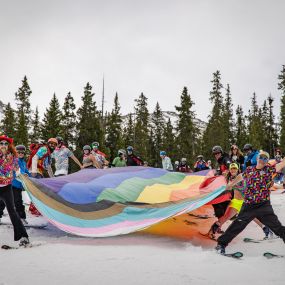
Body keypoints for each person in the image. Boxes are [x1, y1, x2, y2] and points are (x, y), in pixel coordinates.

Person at [216, 150, 285, 255]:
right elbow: (240, 176)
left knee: (277, 227)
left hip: (264, 205)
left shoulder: (270, 170)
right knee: (237, 226)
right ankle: (221, 244)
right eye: (261, 157)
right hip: (248, 205)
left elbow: (282, 163)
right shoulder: (249, 170)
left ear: (267, 161)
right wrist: (231, 184)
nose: (263, 159)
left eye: (265, 158)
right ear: (257, 158)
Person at [209, 163, 272, 239]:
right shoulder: (228, 178)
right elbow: (223, 184)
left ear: (238, 170)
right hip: (236, 202)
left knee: (254, 217)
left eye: (234, 169)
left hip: (245, 202)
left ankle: (268, 231)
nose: (233, 170)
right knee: (226, 217)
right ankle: (212, 230)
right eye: (231, 169)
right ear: (229, 170)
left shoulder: (242, 176)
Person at [0, 134, 29, 246]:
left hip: (7, 188)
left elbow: (17, 171)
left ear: (9, 145)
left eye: (5, 143)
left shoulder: (13, 157)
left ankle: (23, 236)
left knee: (12, 211)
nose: (3, 145)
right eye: (1, 143)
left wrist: (23, 175)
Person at [0, 145, 31, 224]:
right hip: (12, 184)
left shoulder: (23, 162)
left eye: (22, 152)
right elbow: (16, 171)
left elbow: (26, 171)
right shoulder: (14, 160)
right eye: (19, 152)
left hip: (18, 186)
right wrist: (23, 174)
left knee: (18, 201)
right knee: (4, 201)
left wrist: (28, 175)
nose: (20, 153)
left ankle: (21, 218)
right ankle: (20, 218)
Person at [211, 146, 232, 220]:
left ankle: (224, 215)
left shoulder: (225, 159)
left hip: (229, 184)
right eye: (215, 154)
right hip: (222, 184)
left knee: (219, 200)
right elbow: (219, 171)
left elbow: (232, 167)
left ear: (221, 153)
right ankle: (222, 215)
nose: (216, 155)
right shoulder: (219, 161)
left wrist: (227, 172)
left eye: (218, 153)